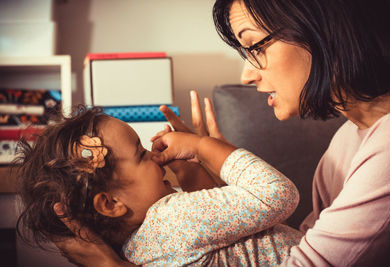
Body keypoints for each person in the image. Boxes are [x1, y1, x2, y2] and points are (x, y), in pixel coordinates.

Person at [54, 0, 390, 265]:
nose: (248, 75)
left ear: (324, 30)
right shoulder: (349, 137)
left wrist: (207, 150)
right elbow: (300, 242)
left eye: (256, 47)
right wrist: (201, 174)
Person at [16, 106, 302, 266]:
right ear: (111, 203)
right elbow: (278, 195)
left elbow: (216, 221)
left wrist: (189, 170)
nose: (155, 157)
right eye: (141, 155)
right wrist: (204, 147)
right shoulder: (171, 218)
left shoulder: (139, 248)